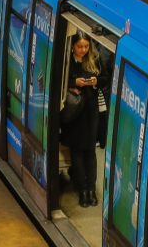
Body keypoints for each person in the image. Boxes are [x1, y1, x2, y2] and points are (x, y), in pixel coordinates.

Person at [60, 31, 108, 208]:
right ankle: (82, 190)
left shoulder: (94, 59)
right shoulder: (66, 60)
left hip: (90, 111)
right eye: (80, 46)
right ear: (73, 46)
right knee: (77, 152)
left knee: (90, 151)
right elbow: (60, 79)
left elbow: (104, 79)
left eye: (86, 46)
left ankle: (91, 190)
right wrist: (74, 83)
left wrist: (95, 81)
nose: (83, 50)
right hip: (73, 112)